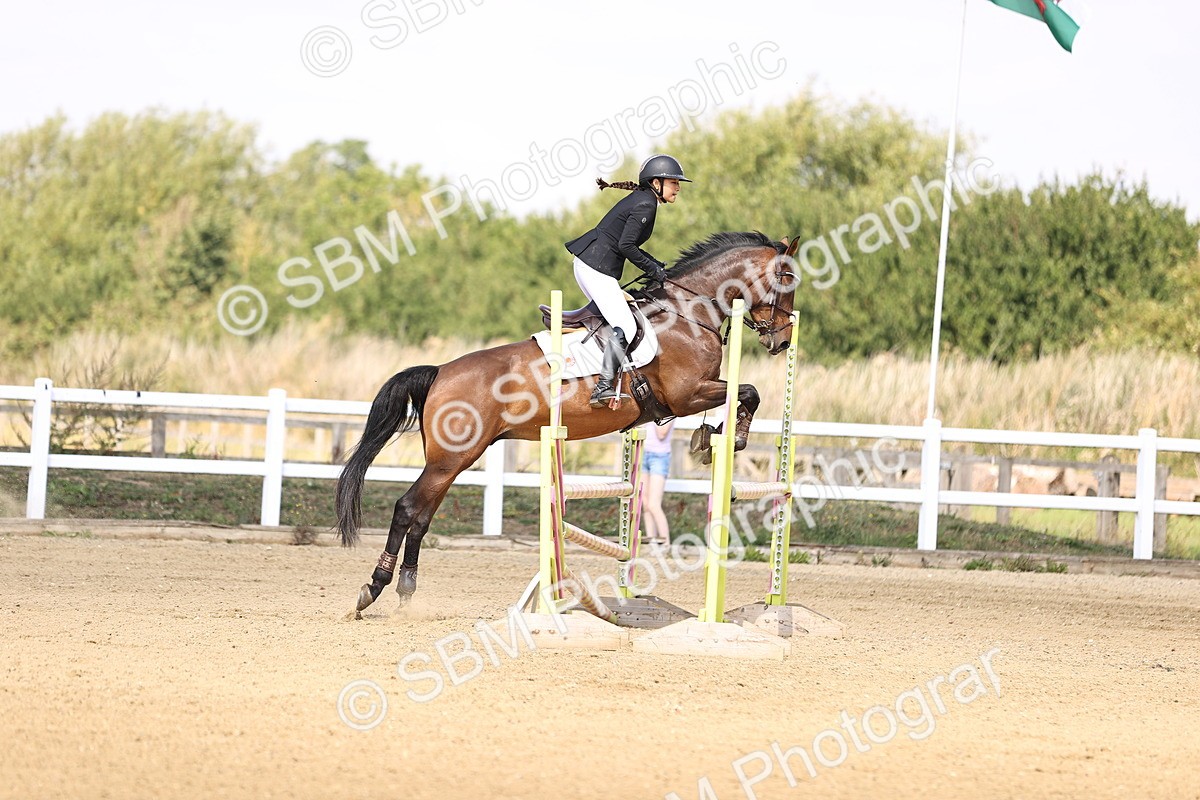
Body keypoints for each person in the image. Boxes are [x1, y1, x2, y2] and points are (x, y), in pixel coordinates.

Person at [564, 154, 692, 408]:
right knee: (626, 325)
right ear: (656, 182)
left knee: (619, 319)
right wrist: (654, 270)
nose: (678, 187)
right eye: (673, 182)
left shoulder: (643, 199)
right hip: (595, 266)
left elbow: (627, 245)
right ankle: (602, 387)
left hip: (592, 263)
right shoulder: (647, 204)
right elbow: (626, 246)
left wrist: (656, 265)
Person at [640, 418, 676, 549]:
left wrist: (654, 415)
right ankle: (652, 543)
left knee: (654, 504)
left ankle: (666, 544)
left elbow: (662, 433)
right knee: (645, 504)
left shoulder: (669, 412)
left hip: (659, 457)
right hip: (643, 453)